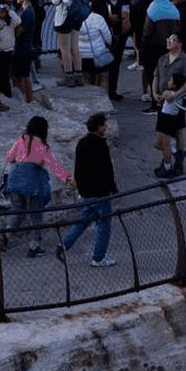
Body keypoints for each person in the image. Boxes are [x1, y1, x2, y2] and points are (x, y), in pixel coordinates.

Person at [56, 113, 119, 267]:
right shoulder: (100, 144)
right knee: (104, 226)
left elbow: (78, 168)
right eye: (103, 125)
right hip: (100, 192)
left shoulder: (82, 142)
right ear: (98, 127)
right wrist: (113, 188)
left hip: (86, 192)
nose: (105, 128)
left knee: (84, 220)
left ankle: (64, 244)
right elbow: (107, 169)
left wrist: (80, 187)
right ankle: (98, 258)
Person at [5, 116, 72, 257]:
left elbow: (9, 158)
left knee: (19, 211)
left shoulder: (20, 140)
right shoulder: (42, 145)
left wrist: (22, 158)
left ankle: (5, 235)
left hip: (14, 180)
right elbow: (52, 165)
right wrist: (67, 178)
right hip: (31, 184)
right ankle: (34, 246)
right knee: (36, 215)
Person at [151, 33, 186, 175]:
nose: (169, 42)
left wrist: (176, 94)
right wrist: (154, 93)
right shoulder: (163, 58)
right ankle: (171, 155)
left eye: (172, 40)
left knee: (178, 133)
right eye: (168, 39)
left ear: (179, 44)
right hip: (163, 103)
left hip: (176, 104)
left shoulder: (185, 61)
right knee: (162, 137)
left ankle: (175, 160)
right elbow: (156, 76)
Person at [141, 0, 180, 113]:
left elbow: (147, 32)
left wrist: (143, 48)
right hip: (170, 47)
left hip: (154, 48)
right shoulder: (173, 8)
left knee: (154, 75)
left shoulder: (153, 8)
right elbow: (178, 29)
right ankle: (167, 103)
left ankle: (155, 103)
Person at [51, 0, 86, 87]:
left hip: (64, 17)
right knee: (75, 47)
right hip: (77, 16)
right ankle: (79, 76)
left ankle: (69, 76)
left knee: (64, 49)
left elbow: (54, 0)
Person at [13, 0, 42, 101]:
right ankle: (27, 98)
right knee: (23, 75)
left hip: (22, 48)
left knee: (22, 76)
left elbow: (18, 32)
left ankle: (27, 98)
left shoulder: (27, 12)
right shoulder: (27, 10)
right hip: (25, 47)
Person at [0, 3, 21, 99]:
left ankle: (7, 93)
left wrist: (10, 11)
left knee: (6, 74)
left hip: (7, 51)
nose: (0, 13)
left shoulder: (11, 21)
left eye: (2, 12)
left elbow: (18, 21)